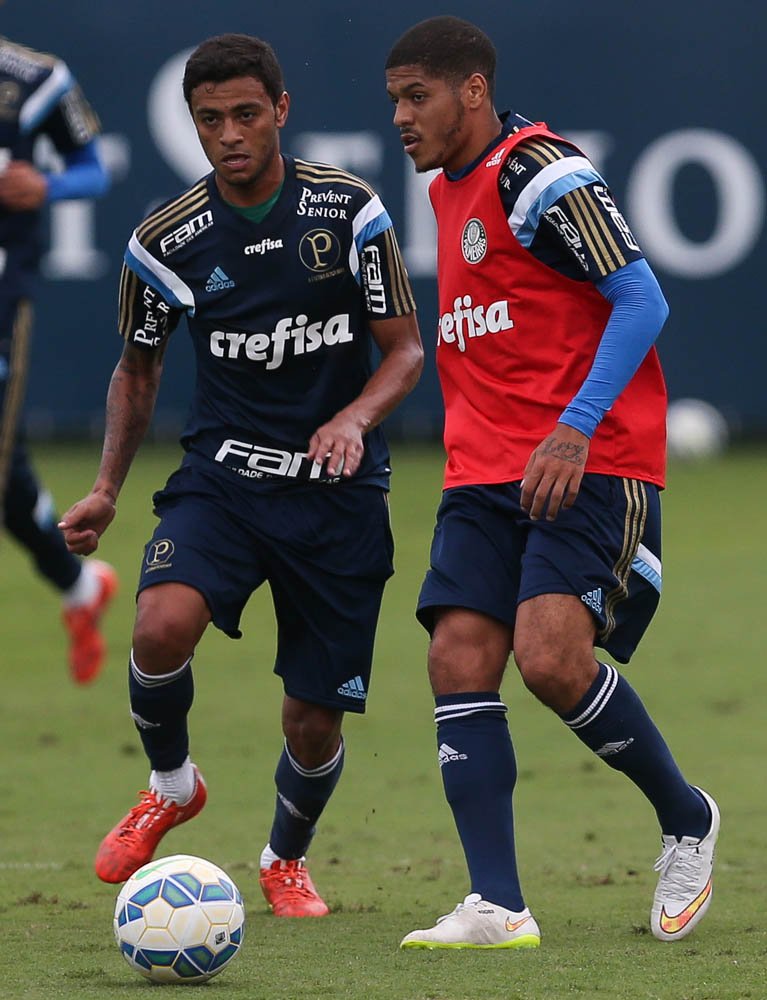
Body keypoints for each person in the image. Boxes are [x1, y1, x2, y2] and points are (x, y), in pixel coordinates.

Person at [59, 33, 423, 916]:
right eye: (210, 119)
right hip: (222, 482)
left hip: (338, 497)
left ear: (281, 111)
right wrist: (107, 488)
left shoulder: (348, 211)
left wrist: (353, 417)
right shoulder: (163, 243)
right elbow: (136, 372)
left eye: (246, 115)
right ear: (193, 123)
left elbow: (406, 349)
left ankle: (283, 858)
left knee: (313, 720)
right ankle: (173, 785)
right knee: (158, 626)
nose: (229, 134)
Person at [385, 16, 718, 949]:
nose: (401, 118)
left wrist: (571, 429)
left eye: (417, 96)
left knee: (549, 660)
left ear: (472, 91)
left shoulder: (540, 173)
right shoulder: (446, 189)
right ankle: (498, 904)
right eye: (394, 101)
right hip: (482, 474)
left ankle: (686, 817)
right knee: (456, 657)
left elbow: (641, 297)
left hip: (587, 462)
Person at [0, 34, 116, 684]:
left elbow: (94, 169)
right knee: (7, 470)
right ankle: (79, 588)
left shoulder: (33, 77)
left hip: (0, 293)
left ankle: (78, 588)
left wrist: (44, 184)